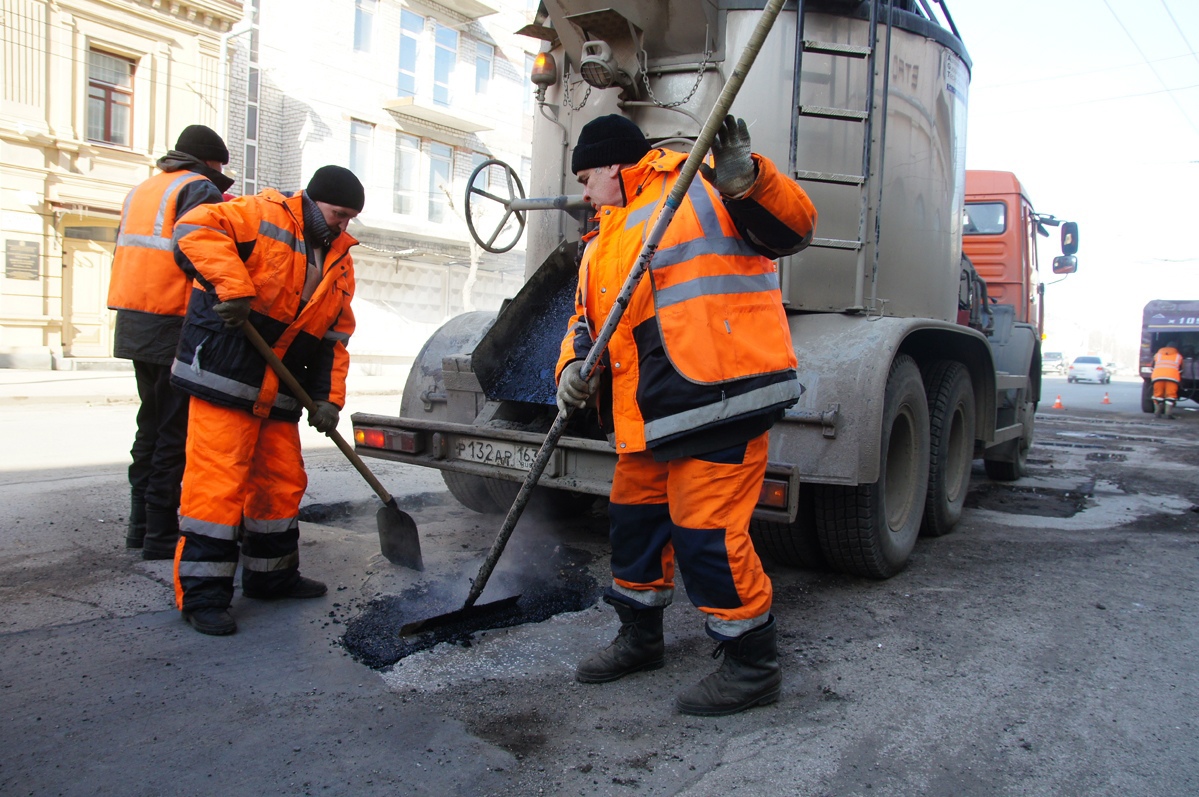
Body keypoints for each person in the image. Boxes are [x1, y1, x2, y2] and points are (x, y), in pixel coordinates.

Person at [556, 114, 817, 716]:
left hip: (719, 395)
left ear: (613, 168)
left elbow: (794, 229)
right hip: (649, 411)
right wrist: (571, 367)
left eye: (587, 177)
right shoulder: (601, 239)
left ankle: (752, 665)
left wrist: (746, 180)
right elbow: (585, 324)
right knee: (634, 524)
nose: (584, 191)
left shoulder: (698, 185)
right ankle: (640, 638)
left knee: (707, 536)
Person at [168, 165, 364, 635]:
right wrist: (232, 286)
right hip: (226, 375)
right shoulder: (260, 214)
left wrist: (327, 400)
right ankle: (203, 597)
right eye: (339, 214)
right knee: (217, 490)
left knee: (281, 482)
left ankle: (271, 577)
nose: (343, 226)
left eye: (351, 218)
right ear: (316, 201)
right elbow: (193, 227)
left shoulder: (340, 259)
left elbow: (334, 339)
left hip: (280, 388)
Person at [107, 125, 234, 559]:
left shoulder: (144, 189)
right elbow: (203, 255)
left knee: (149, 425)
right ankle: (161, 536)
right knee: (173, 433)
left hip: (134, 320)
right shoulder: (199, 188)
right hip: (173, 322)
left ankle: (139, 528)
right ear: (211, 164)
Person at [1151, 340, 1183, 419]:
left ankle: (1157, 413)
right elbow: (1181, 370)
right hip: (1172, 378)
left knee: (1158, 395)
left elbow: (1152, 367)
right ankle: (1168, 414)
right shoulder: (1178, 356)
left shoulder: (1157, 355)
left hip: (1157, 377)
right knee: (1171, 396)